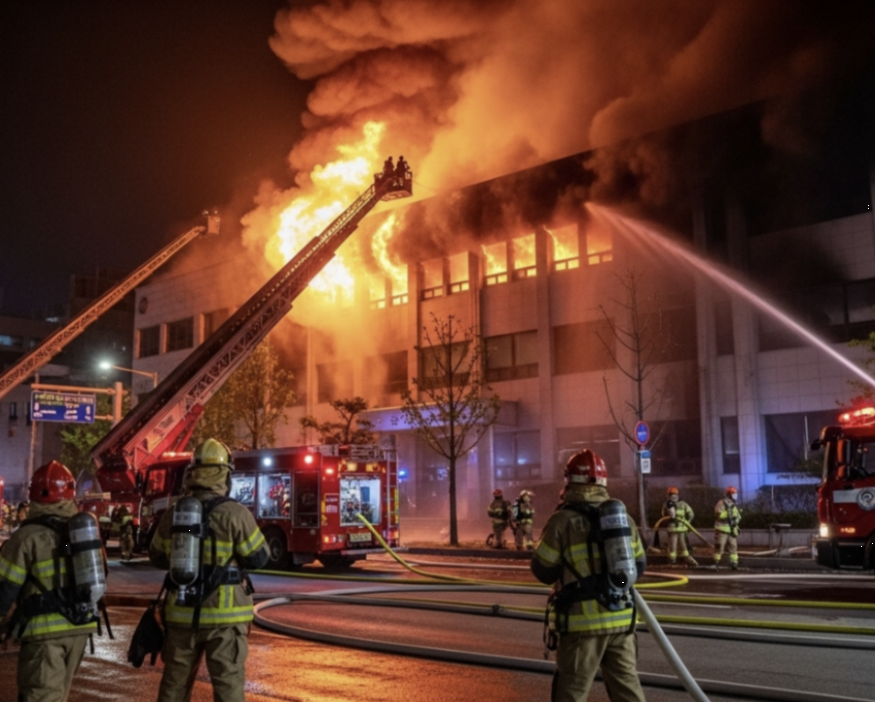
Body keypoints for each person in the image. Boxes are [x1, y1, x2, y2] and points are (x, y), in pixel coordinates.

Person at [149, 439, 270, 702]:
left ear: (193, 473)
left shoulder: (173, 514)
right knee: (227, 686)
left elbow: (157, 557)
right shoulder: (235, 514)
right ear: (225, 474)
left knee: (174, 685)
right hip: (225, 621)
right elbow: (260, 557)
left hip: (181, 615)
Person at [531, 449, 646, 702]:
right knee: (628, 691)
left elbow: (543, 570)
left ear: (569, 480)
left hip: (582, 626)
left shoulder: (561, 521)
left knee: (571, 692)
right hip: (622, 620)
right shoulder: (623, 518)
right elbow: (639, 566)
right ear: (604, 481)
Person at [0, 461, 102, 702]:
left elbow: (5, 588)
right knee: (57, 695)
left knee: (40, 696)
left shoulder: (26, 537)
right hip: (80, 626)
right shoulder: (80, 530)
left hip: (45, 633)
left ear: (33, 494)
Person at [662, 486, 698, 566]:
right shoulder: (683, 504)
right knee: (683, 546)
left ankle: (672, 561)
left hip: (673, 529)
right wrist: (687, 522)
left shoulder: (667, 504)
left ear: (668, 495)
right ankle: (686, 559)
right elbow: (691, 514)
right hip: (682, 529)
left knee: (673, 547)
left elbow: (663, 515)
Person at [714, 485, 742, 570]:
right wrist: (727, 514)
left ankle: (734, 563)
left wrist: (735, 520)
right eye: (734, 494)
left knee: (733, 547)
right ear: (729, 495)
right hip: (722, 530)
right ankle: (717, 563)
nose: (735, 496)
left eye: (735, 494)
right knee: (719, 547)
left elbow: (738, 517)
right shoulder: (721, 503)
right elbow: (718, 515)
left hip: (731, 530)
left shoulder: (733, 505)